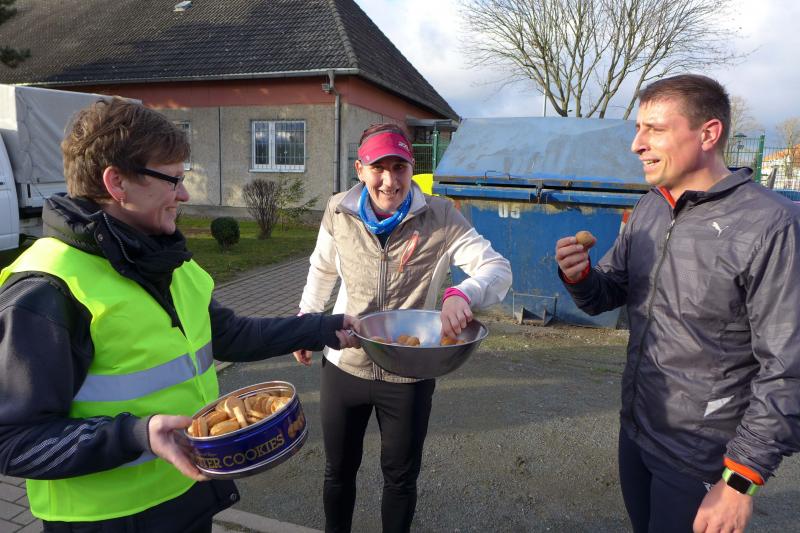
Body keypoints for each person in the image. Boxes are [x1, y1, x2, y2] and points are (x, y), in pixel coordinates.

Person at [0, 97, 361, 533]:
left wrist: (323, 327)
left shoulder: (165, 260)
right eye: (173, 180)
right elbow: (12, 440)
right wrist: (135, 435)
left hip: (185, 495)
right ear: (117, 183)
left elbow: (230, 334)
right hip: (106, 521)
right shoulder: (47, 288)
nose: (185, 195)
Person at [555, 74, 800, 533]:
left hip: (703, 455)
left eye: (655, 129)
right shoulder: (651, 206)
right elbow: (608, 293)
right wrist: (580, 276)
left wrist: (741, 479)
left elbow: (788, 367)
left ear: (708, 134)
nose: (637, 144)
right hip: (638, 429)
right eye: (638, 128)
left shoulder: (773, 225)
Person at [293, 123, 512, 532]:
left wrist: (463, 294)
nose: (390, 181)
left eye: (400, 168)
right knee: (338, 471)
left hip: (408, 375)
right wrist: (306, 320)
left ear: (413, 168)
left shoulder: (440, 216)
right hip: (344, 367)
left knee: (400, 479)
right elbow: (321, 269)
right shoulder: (338, 210)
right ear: (360, 169)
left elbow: (497, 269)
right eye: (378, 167)